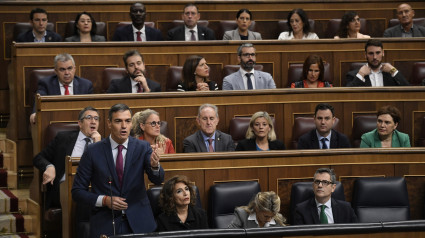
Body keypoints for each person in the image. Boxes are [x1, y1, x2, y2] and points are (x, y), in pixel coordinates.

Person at [72, 104, 164, 237]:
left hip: (140, 222)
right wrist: (104, 200)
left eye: (127, 121)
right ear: (109, 123)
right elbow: (77, 192)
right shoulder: (93, 151)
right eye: (118, 121)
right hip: (106, 221)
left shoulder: (142, 147)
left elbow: (158, 179)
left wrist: (155, 166)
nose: (124, 126)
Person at [33, 106, 101, 210]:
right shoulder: (63, 138)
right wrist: (49, 166)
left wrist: (98, 145)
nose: (93, 121)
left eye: (96, 119)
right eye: (89, 118)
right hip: (65, 189)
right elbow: (38, 158)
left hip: (92, 190)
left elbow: (104, 171)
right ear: (80, 123)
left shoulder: (103, 145)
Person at [30, 53, 93, 124]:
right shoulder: (46, 84)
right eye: (62, 69)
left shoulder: (86, 85)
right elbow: (39, 99)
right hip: (55, 122)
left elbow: (90, 109)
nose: (67, 73)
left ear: (74, 69)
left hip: (79, 122)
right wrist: (35, 113)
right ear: (56, 71)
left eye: (69, 68)